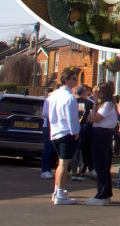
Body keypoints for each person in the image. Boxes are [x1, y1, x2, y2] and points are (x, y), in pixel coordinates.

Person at [48, 67, 81, 205]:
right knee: (64, 163)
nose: (76, 81)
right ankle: (60, 193)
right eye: (74, 78)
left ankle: (57, 190)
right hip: (66, 133)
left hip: (55, 132)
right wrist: (76, 132)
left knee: (60, 163)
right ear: (66, 80)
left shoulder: (53, 95)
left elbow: (48, 114)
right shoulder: (70, 98)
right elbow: (72, 118)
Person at [85, 81, 118, 206]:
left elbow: (94, 119)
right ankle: (106, 194)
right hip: (101, 134)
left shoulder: (107, 105)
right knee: (103, 166)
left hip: (101, 134)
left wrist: (93, 104)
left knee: (100, 166)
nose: (96, 93)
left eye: (98, 91)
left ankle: (101, 194)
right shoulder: (106, 104)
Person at [71, 84, 94, 182]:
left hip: (74, 128)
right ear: (84, 92)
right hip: (85, 129)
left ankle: (74, 172)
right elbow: (92, 117)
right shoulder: (90, 103)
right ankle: (81, 172)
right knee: (84, 151)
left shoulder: (72, 102)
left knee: (74, 151)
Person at [41, 87, 55, 179]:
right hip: (48, 126)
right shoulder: (49, 100)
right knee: (48, 148)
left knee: (51, 149)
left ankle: (48, 169)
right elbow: (44, 113)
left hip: (54, 126)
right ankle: (45, 170)